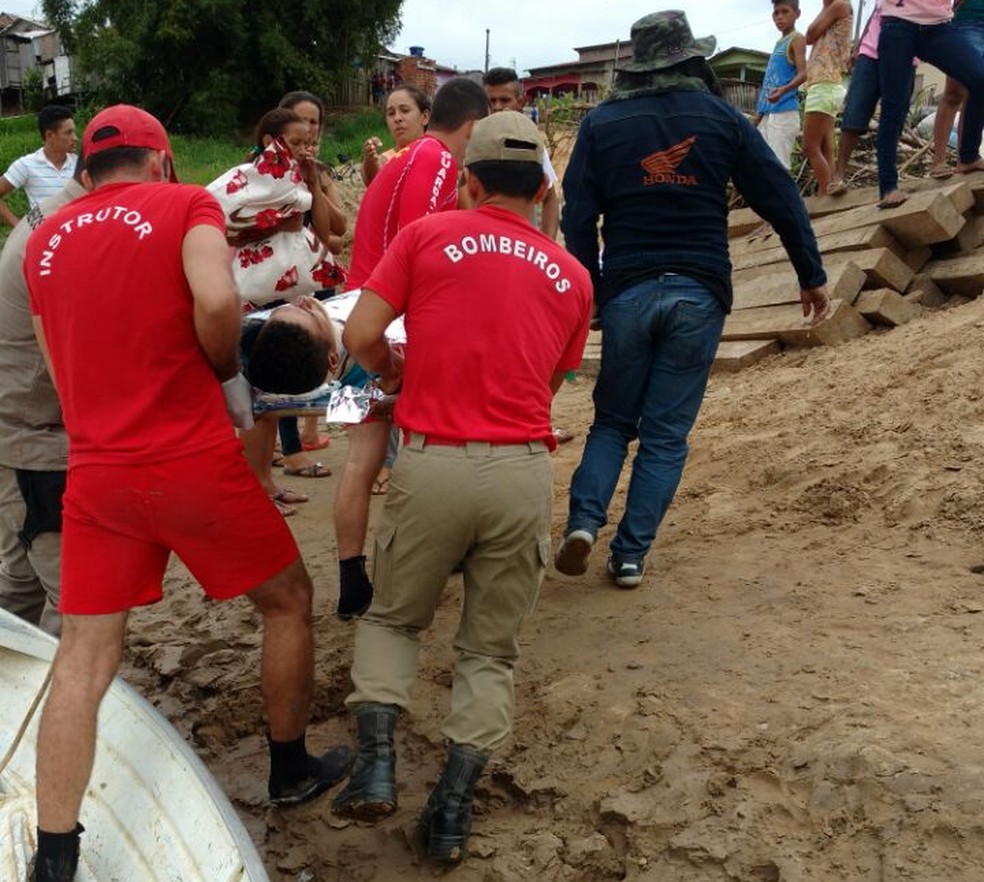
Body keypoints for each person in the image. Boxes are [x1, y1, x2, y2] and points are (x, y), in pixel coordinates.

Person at [23, 105, 350, 882]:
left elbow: (57, 368)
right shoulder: (185, 204)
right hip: (190, 459)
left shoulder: (42, 242)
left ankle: (55, 855)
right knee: (287, 600)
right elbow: (214, 300)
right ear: (163, 162)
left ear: (88, 173)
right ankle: (290, 768)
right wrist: (225, 371)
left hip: (98, 473)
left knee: (84, 654)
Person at [330, 110, 593, 864]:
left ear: (470, 181)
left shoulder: (426, 237)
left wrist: (392, 370)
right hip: (520, 472)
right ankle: (451, 806)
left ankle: (376, 763)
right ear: (542, 183)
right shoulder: (572, 275)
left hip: (432, 460)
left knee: (393, 620)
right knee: (488, 652)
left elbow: (357, 336)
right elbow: (550, 378)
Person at [554, 11, 830, 591]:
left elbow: (578, 219)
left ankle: (583, 521)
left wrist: (593, 293)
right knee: (665, 434)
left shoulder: (602, 124)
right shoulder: (722, 118)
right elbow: (781, 197)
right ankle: (629, 556)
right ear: (690, 59)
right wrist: (810, 272)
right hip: (699, 293)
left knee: (611, 421)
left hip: (627, 290)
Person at [333, 76, 490, 621]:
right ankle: (415, 565)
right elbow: (418, 245)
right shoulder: (438, 159)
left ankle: (351, 577)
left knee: (360, 458)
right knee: (424, 449)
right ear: (471, 125)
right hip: (391, 321)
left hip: (357, 312)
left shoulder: (405, 157)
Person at [208, 107, 343, 514]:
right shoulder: (246, 180)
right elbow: (224, 225)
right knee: (254, 401)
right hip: (256, 298)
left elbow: (327, 228)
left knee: (270, 402)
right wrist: (271, 226)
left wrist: (314, 183)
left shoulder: (302, 175)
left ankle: (266, 482)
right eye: (296, 142)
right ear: (271, 142)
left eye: (308, 141)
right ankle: (256, 490)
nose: (305, 148)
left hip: (290, 294)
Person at [0, 163, 87, 638]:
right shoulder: (69, 232)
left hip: (16, 424)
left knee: (20, 581)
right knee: (72, 596)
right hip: (36, 439)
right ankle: (50, 708)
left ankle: (12, 698)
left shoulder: (51, 218)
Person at [277, 90, 349, 477]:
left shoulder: (318, 171)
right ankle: (290, 450)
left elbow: (335, 230)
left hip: (318, 275)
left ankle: (297, 437)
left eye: (314, 122)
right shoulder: (264, 171)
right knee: (288, 352)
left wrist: (314, 184)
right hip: (280, 281)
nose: (307, 129)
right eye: (299, 121)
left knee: (319, 354)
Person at [876, 0, 984, 208]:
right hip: (898, 23)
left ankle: (968, 156)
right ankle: (888, 187)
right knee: (894, 107)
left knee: (980, 79)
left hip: (939, 26)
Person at [828, 4, 915, 194]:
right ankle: (839, 175)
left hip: (905, 56)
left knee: (894, 118)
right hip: (870, 52)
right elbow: (877, 11)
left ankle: (888, 180)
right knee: (854, 113)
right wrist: (857, 47)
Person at [481, 67, 560, 239]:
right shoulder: (473, 143)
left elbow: (550, 198)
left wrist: (548, 246)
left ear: (520, 102)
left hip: (523, 249)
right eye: (491, 101)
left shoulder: (530, 142)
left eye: (504, 100)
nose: (497, 107)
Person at [801, 0, 853, 196]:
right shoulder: (837, 7)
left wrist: (825, 6)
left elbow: (809, 34)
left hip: (825, 84)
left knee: (809, 147)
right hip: (828, 84)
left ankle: (825, 193)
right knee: (825, 149)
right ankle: (831, 190)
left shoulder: (839, 4)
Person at [930, 0, 984, 179]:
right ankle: (939, 161)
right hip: (969, 20)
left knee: (977, 92)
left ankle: (967, 159)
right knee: (955, 93)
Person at [0, 105, 77, 228]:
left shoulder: (80, 165)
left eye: (74, 131)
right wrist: (18, 227)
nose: (75, 138)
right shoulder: (27, 165)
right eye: (68, 133)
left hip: (77, 235)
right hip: (44, 240)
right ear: (50, 135)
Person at [754, 0, 807, 171]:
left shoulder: (797, 39)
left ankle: (785, 198)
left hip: (784, 113)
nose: (780, 17)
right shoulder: (779, 43)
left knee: (779, 168)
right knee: (763, 165)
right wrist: (760, 113)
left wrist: (784, 90)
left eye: (785, 12)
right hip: (769, 115)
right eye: (776, 13)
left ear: (797, 14)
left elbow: (803, 74)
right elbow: (770, 82)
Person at [361, 85, 432, 186]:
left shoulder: (441, 157)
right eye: (391, 113)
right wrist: (370, 161)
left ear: (424, 117)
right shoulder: (386, 160)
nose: (397, 118)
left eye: (405, 110)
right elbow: (373, 179)